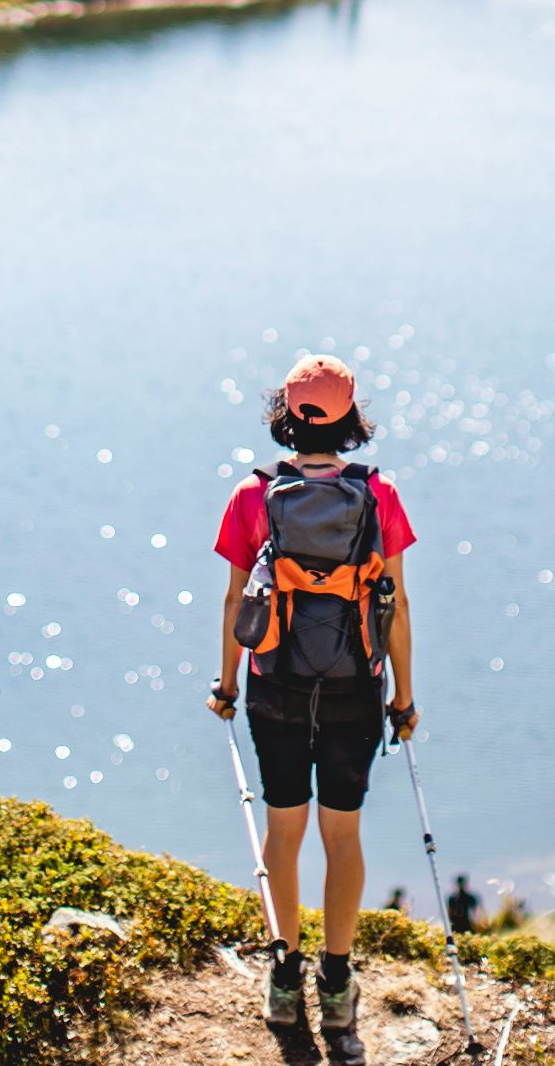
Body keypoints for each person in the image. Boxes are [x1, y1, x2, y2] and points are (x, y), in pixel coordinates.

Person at [207, 354, 417, 1039]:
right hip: (356, 686)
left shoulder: (253, 495)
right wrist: (403, 699)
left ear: (286, 416)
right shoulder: (378, 493)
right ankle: (335, 979)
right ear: (352, 418)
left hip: (277, 687)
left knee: (284, 831)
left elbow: (239, 597)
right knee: (343, 834)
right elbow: (397, 605)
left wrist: (228, 683)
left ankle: (283, 970)